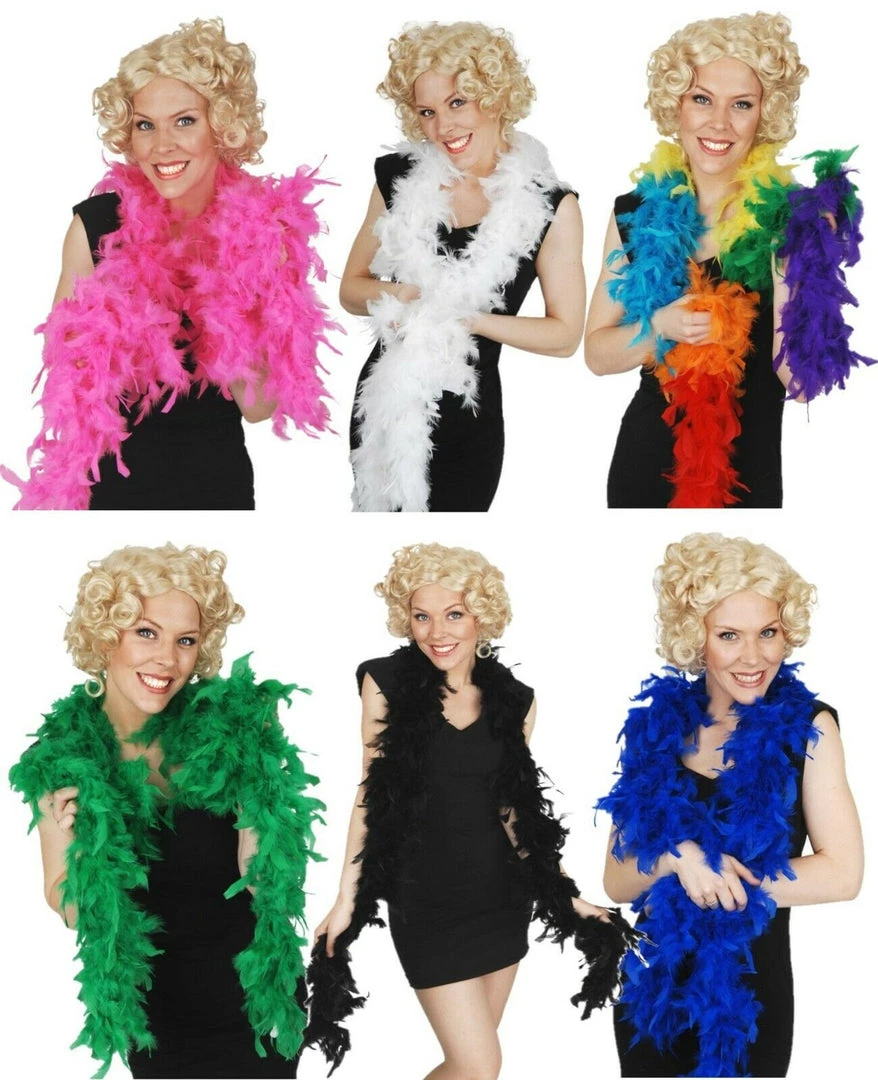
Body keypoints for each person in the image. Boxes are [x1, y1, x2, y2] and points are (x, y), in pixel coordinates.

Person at [304, 543, 638, 1078]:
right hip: (426, 902)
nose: (437, 631)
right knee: (478, 1065)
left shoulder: (516, 700)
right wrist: (348, 897)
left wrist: (564, 893)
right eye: (422, 616)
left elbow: (515, 809)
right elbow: (372, 790)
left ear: (482, 615)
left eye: (454, 614)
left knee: (472, 1068)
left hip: (501, 901)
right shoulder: (385, 683)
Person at [9, 544, 322, 1078]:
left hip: (258, 999)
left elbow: (268, 883)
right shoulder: (62, 760)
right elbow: (62, 898)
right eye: (146, 633)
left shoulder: (231, 730)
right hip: (160, 1018)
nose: (167, 660)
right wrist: (87, 861)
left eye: (185, 641)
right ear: (105, 635)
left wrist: (256, 812)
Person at [4, 18, 334, 510]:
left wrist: (237, 287)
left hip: (215, 488)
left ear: (221, 127)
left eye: (184, 121)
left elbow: (258, 406)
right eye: (145, 125)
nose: (162, 146)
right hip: (107, 489)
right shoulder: (96, 228)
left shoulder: (264, 231)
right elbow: (67, 389)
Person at [597, 532, 863, 1077]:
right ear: (695, 638)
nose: (754, 656)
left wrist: (717, 877)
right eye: (729, 635)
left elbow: (843, 874)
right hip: (654, 994)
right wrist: (679, 859)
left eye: (768, 632)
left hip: (749, 1001)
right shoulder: (655, 731)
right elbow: (617, 881)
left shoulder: (810, 728)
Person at [584, 13, 870, 508]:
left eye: (741, 104)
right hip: (645, 468)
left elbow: (801, 384)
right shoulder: (635, 213)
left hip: (746, 477)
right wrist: (659, 327)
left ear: (765, 113)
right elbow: (596, 354)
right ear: (676, 105)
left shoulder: (791, 220)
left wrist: (793, 264)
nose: (719, 123)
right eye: (702, 99)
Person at [344, 22, 585, 511]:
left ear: (495, 96)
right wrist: (408, 296)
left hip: (468, 419)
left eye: (458, 103)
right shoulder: (398, 179)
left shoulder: (550, 207)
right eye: (427, 112)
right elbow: (351, 289)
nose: (443, 128)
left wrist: (467, 319)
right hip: (386, 405)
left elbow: (564, 336)